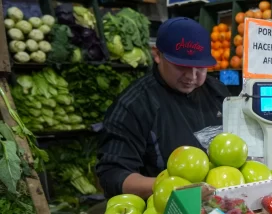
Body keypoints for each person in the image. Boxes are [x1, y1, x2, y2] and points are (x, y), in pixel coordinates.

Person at [96, 17, 229, 199]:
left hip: (222, 205)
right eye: (182, 66)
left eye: (200, 67)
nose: (192, 76)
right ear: (157, 55)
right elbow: (113, 175)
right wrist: (175, 188)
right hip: (164, 211)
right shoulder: (133, 106)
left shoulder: (218, 93)